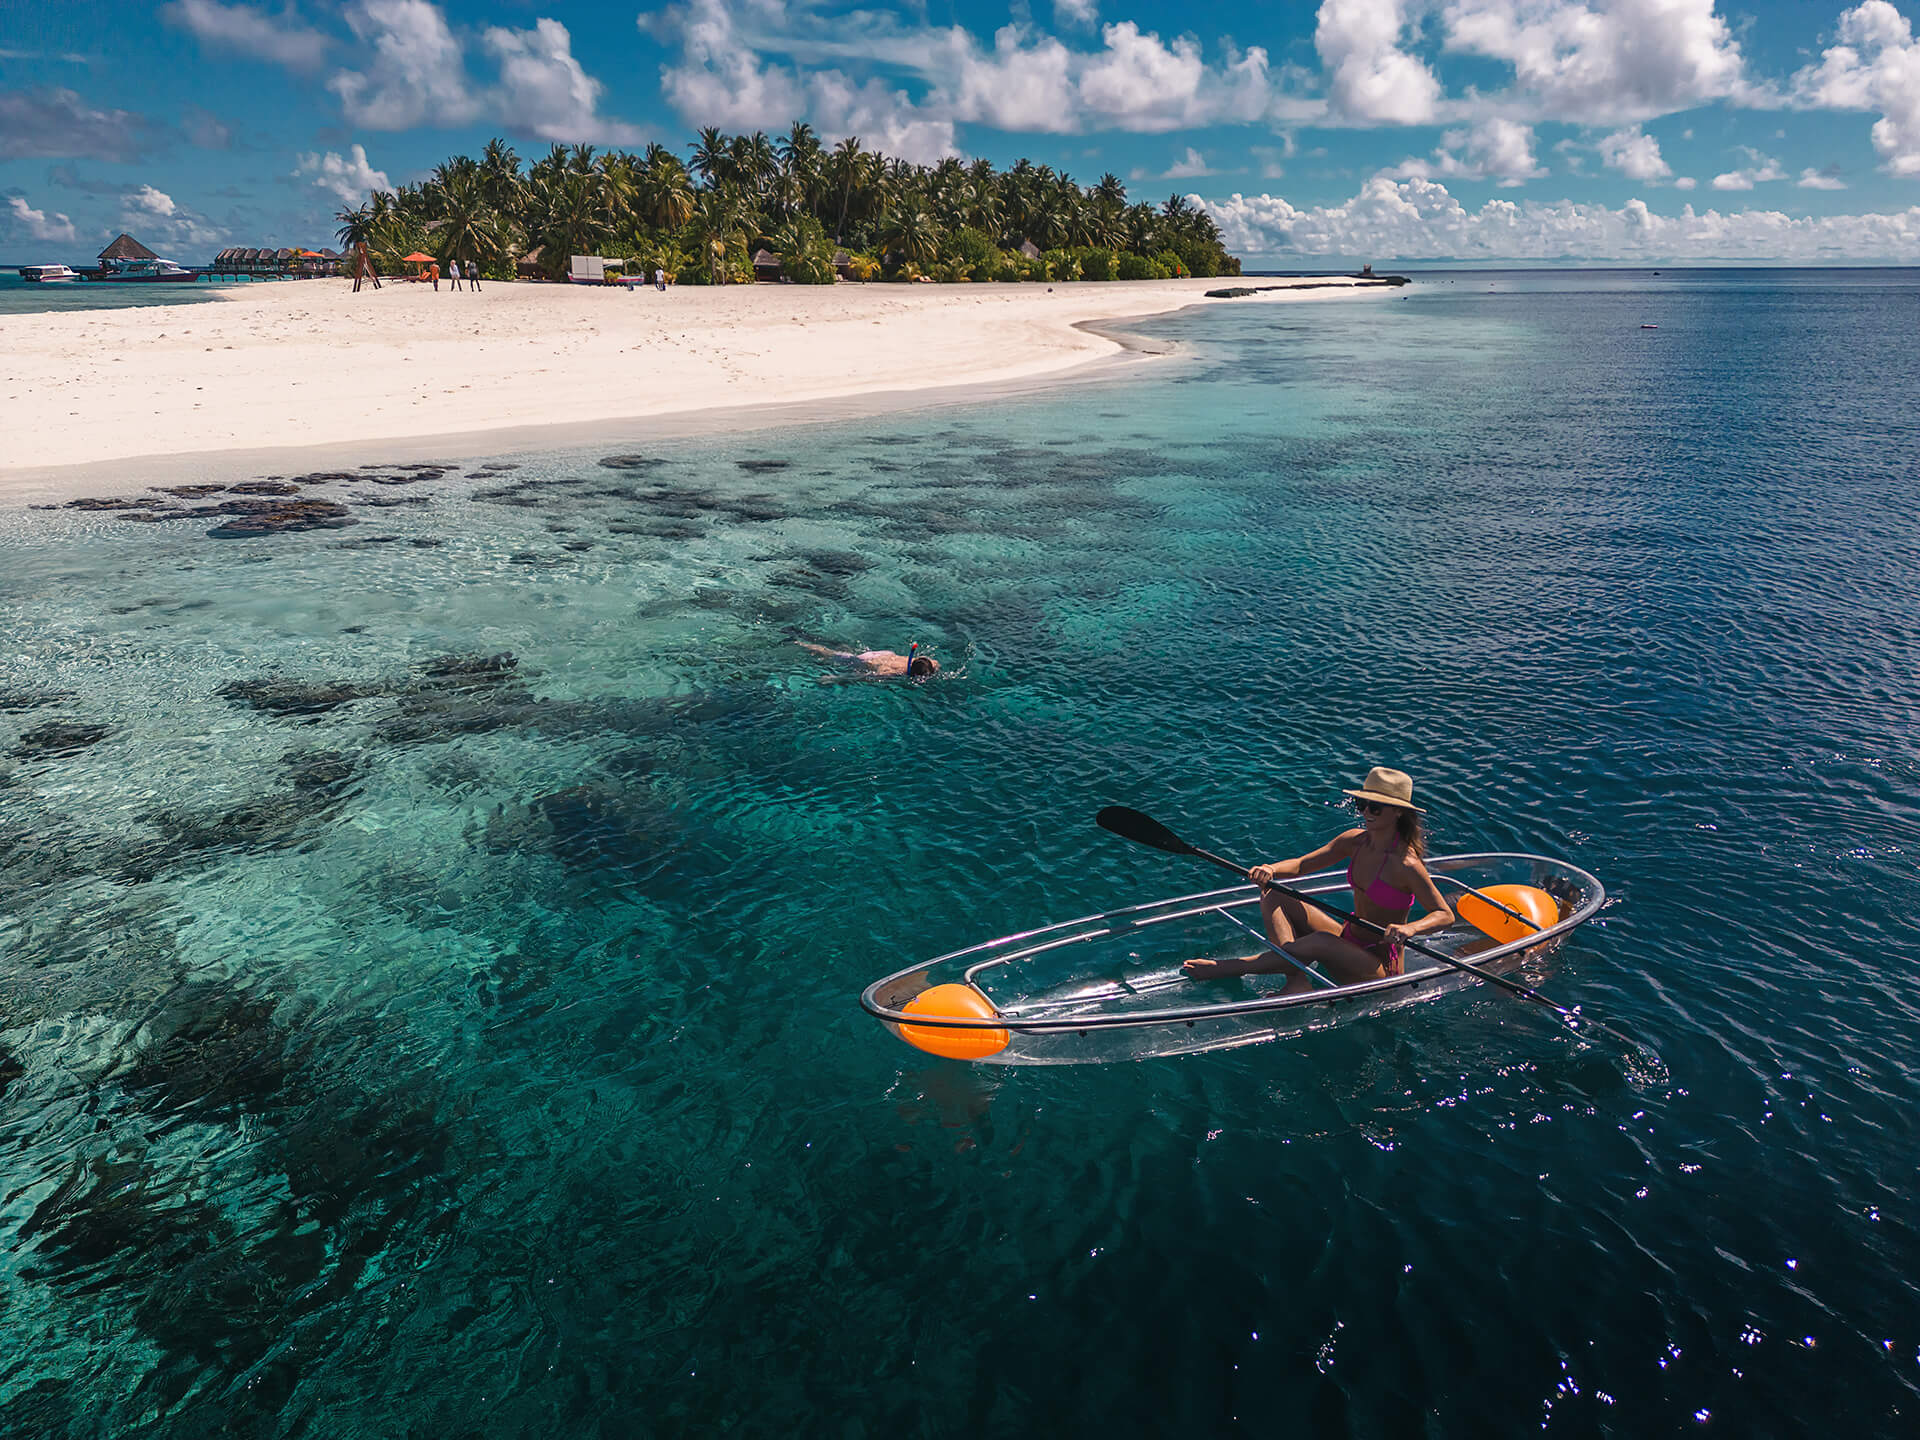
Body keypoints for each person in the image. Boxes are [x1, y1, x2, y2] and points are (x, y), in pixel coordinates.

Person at [1184, 766, 1454, 991]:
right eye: (1362, 805)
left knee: (1322, 941)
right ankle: (1296, 976)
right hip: (1348, 938)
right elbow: (1302, 864)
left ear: (1398, 812)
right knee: (1275, 892)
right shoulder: (1354, 841)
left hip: (1378, 965)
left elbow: (1444, 914)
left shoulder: (1405, 864)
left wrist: (1410, 929)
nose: (1366, 813)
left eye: (1376, 808)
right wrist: (1271, 869)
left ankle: (1234, 967)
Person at [795, 640, 938, 681]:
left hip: (885, 654)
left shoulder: (928, 661)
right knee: (828, 654)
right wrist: (835, 679)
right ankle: (799, 643)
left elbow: (936, 664)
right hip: (865, 660)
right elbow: (864, 677)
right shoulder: (893, 672)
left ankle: (843, 648)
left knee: (841, 653)